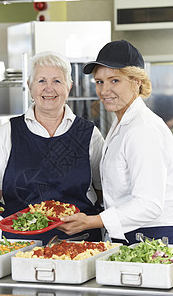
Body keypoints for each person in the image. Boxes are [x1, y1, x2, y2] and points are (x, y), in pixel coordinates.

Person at [0, 51, 104, 245]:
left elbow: (103, 190)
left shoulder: (89, 134)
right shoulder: (9, 132)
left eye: (57, 81)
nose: (49, 88)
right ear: (30, 86)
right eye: (41, 81)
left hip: (80, 244)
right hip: (20, 244)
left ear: (69, 86)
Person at [57, 40, 173, 245]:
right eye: (100, 82)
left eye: (114, 80)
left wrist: (92, 221)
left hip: (152, 238)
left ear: (136, 81)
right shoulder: (122, 123)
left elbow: (149, 204)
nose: (104, 90)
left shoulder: (143, 129)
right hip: (131, 235)